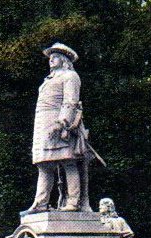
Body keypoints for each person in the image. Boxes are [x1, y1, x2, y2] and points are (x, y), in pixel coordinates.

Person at [22, 43, 97, 216]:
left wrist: (61, 122)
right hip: (42, 124)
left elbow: (70, 101)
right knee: (44, 164)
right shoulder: (48, 79)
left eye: (54, 57)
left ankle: (73, 201)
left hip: (59, 124)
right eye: (50, 57)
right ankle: (40, 202)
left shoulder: (70, 76)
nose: (51, 60)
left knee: (68, 161)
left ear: (64, 59)